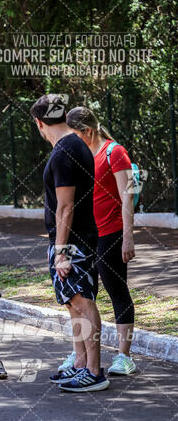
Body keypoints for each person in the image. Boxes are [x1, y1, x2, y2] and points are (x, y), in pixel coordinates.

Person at [30, 94, 109, 392]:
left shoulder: (64, 152)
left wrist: (61, 251)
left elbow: (66, 206)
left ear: (40, 123)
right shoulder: (73, 145)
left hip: (74, 242)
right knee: (72, 304)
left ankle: (94, 371)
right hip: (73, 240)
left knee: (82, 301)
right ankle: (80, 363)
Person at [63, 106, 136, 376]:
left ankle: (124, 357)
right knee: (79, 296)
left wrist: (128, 236)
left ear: (89, 131)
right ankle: (79, 353)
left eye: (76, 135)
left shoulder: (114, 152)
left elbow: (127, 195)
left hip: (112, 232)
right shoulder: (78, 154)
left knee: (117, 291)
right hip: (86, 236)